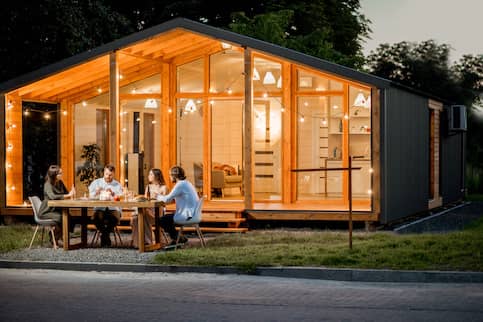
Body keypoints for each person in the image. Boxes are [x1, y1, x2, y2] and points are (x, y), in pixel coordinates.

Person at [157, 165, 199, 246]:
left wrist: (157, 196)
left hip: (186, 216)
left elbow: (167, 200)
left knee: (162, 220)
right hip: (193, 214)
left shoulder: (180, 185)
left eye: (170, 175)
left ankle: (177, 238)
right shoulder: (187, 183)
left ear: (174, 176)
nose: (169, 177)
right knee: (167, 218)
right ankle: (177, 238)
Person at [130, 168, 169, 248]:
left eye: (151, 174)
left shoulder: (163, 188)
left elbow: (165, 202)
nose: (149, 176)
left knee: (140, 215)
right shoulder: (148, 187)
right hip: (147, 210)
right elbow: (145, 200)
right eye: (149, 174)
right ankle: (138, 243)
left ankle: (147, 243)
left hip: (157, 213)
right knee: (135, 218)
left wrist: (158, 196)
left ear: (157, 176)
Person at [38, 165, 76, 244]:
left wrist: (72, 192)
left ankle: (58, 235)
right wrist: (68, 195)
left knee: (70, 218)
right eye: (60, 173)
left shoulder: (60, 183)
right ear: (54, 175)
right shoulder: (47, 185)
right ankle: (55, 237)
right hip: (46, 211)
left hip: (56, 210)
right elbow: (52, 196)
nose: (61, 175)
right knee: (61, 217)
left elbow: (66, 193)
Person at [88, 164, 123, 247]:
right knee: (97, 217)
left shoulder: (117, 185)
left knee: (115, 218)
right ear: (104, 173)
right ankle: (106, 235)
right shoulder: (96, 183)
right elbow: (90, 197)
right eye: (106, 174)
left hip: (113, 209)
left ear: (114, 174)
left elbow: (121, 198)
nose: (108, 176)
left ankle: (104, 235)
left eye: (110, 175)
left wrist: (114, 194)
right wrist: (96, 192)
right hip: (100, 208)